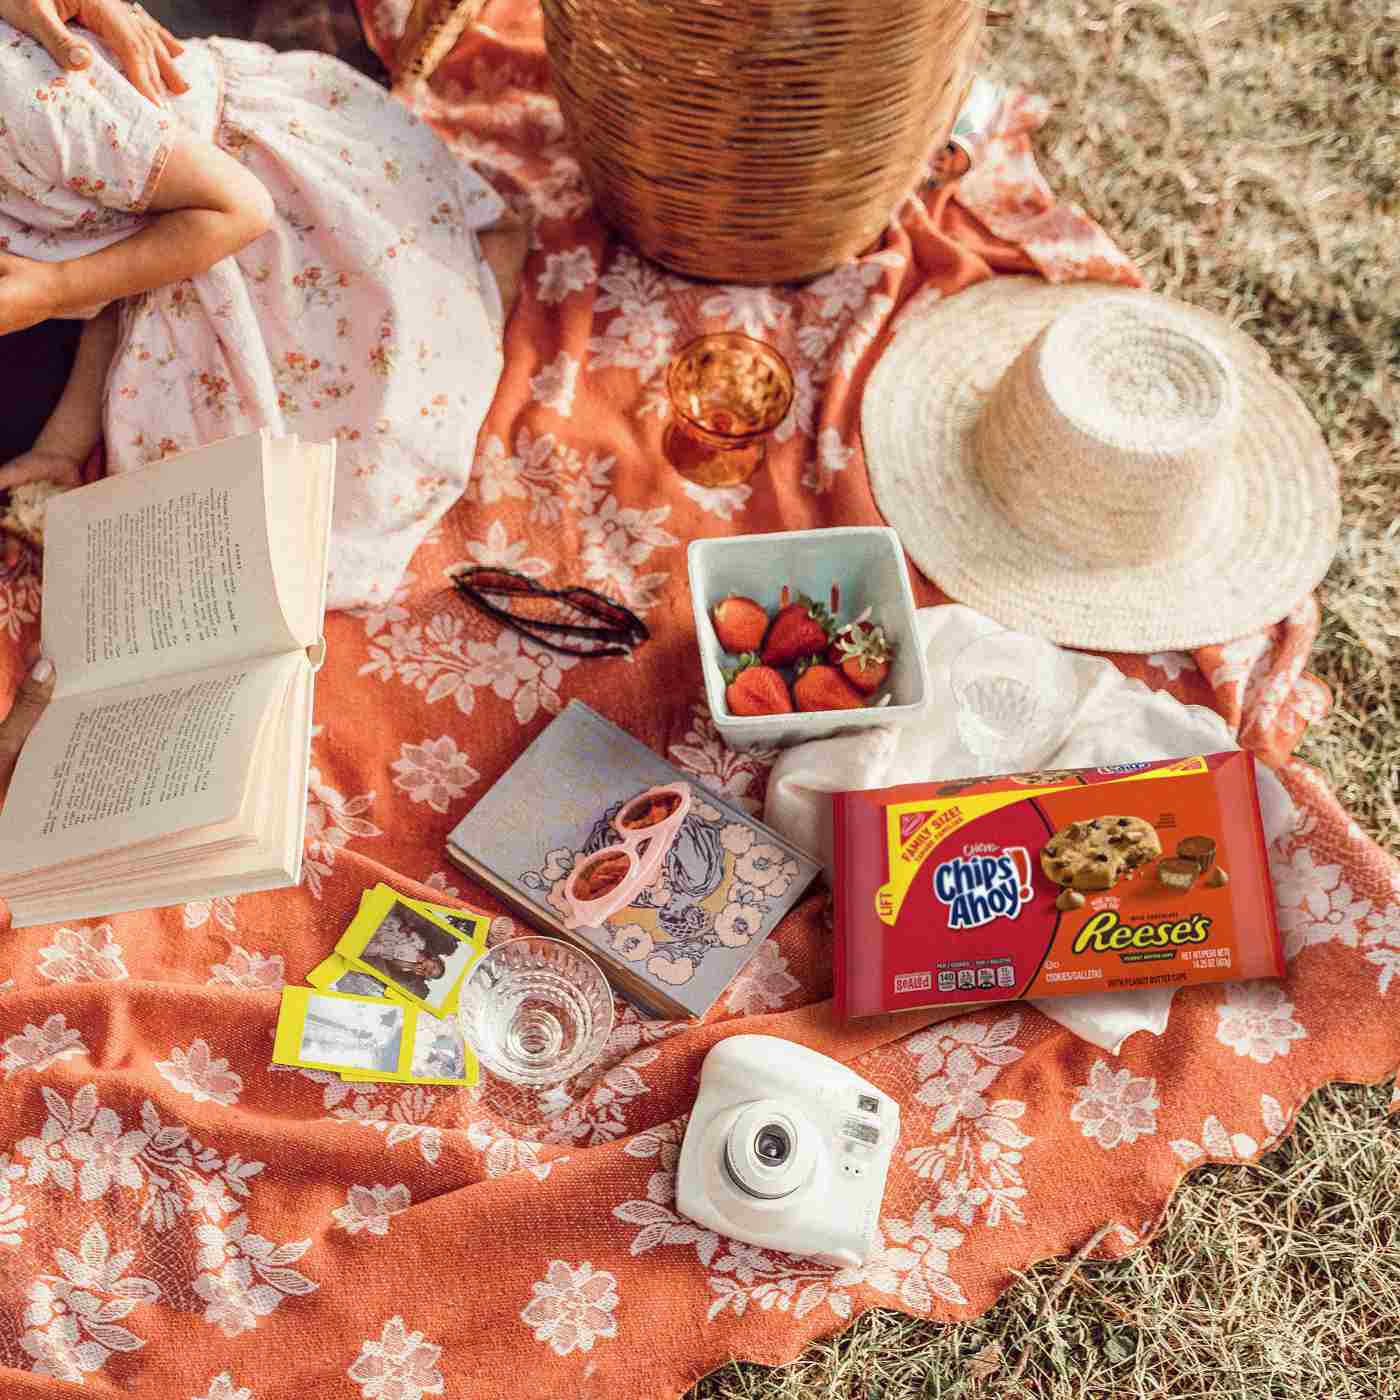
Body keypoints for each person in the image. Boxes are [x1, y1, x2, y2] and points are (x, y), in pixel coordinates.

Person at [0, 0, 529, 806]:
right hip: (159, 222)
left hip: (270, 210)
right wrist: (64, 444)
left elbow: (235, 212)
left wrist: (53, 288)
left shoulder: (38, 111)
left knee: (357, 426)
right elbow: (112, 263)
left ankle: (479, 268)